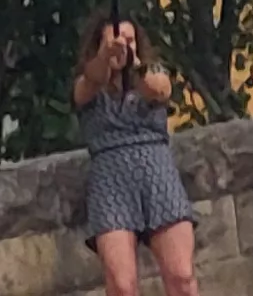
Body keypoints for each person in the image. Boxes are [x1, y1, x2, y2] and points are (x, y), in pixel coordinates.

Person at [74, 17, 202, 296]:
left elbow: (160, 90)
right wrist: (106, 56)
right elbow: (90, 82)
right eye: (115, 41)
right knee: (122, 285)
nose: (123, 46)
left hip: (156, 170)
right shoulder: (89, 84)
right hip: (110, 177)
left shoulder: (151, 73)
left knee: (182, 275)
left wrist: (131, 63)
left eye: (130, 40)